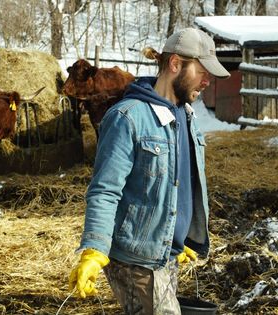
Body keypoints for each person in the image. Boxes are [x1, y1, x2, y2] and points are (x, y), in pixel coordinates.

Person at [69, 27, 230, 314]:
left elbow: (178, 182)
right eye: (202, 71)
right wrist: (94, 249)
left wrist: (179, 236)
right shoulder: (127, 117)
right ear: (175, 64)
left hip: (165, 253)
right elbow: (105, 190)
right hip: (137, 261)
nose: (207, 81)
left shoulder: (186, 116)